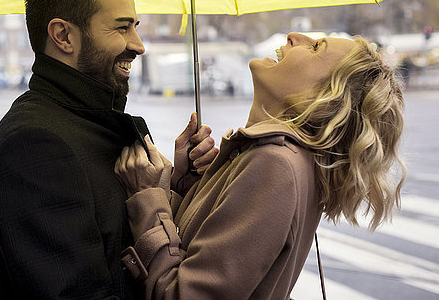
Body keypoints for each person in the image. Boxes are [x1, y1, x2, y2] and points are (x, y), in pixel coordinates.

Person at [0, 0, 219, 300]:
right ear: (63, 36)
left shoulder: (92, 122)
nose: (138, 45)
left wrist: (178, 183)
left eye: (135, 27)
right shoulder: (35, 142)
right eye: (122, 28)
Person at [115, 33, 406, 299]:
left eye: (316, 47)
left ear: (322, 96)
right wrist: (189, 186)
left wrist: (148, 195)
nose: (295, 36)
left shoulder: (274, 163)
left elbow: (183, 294)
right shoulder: (281, 158)